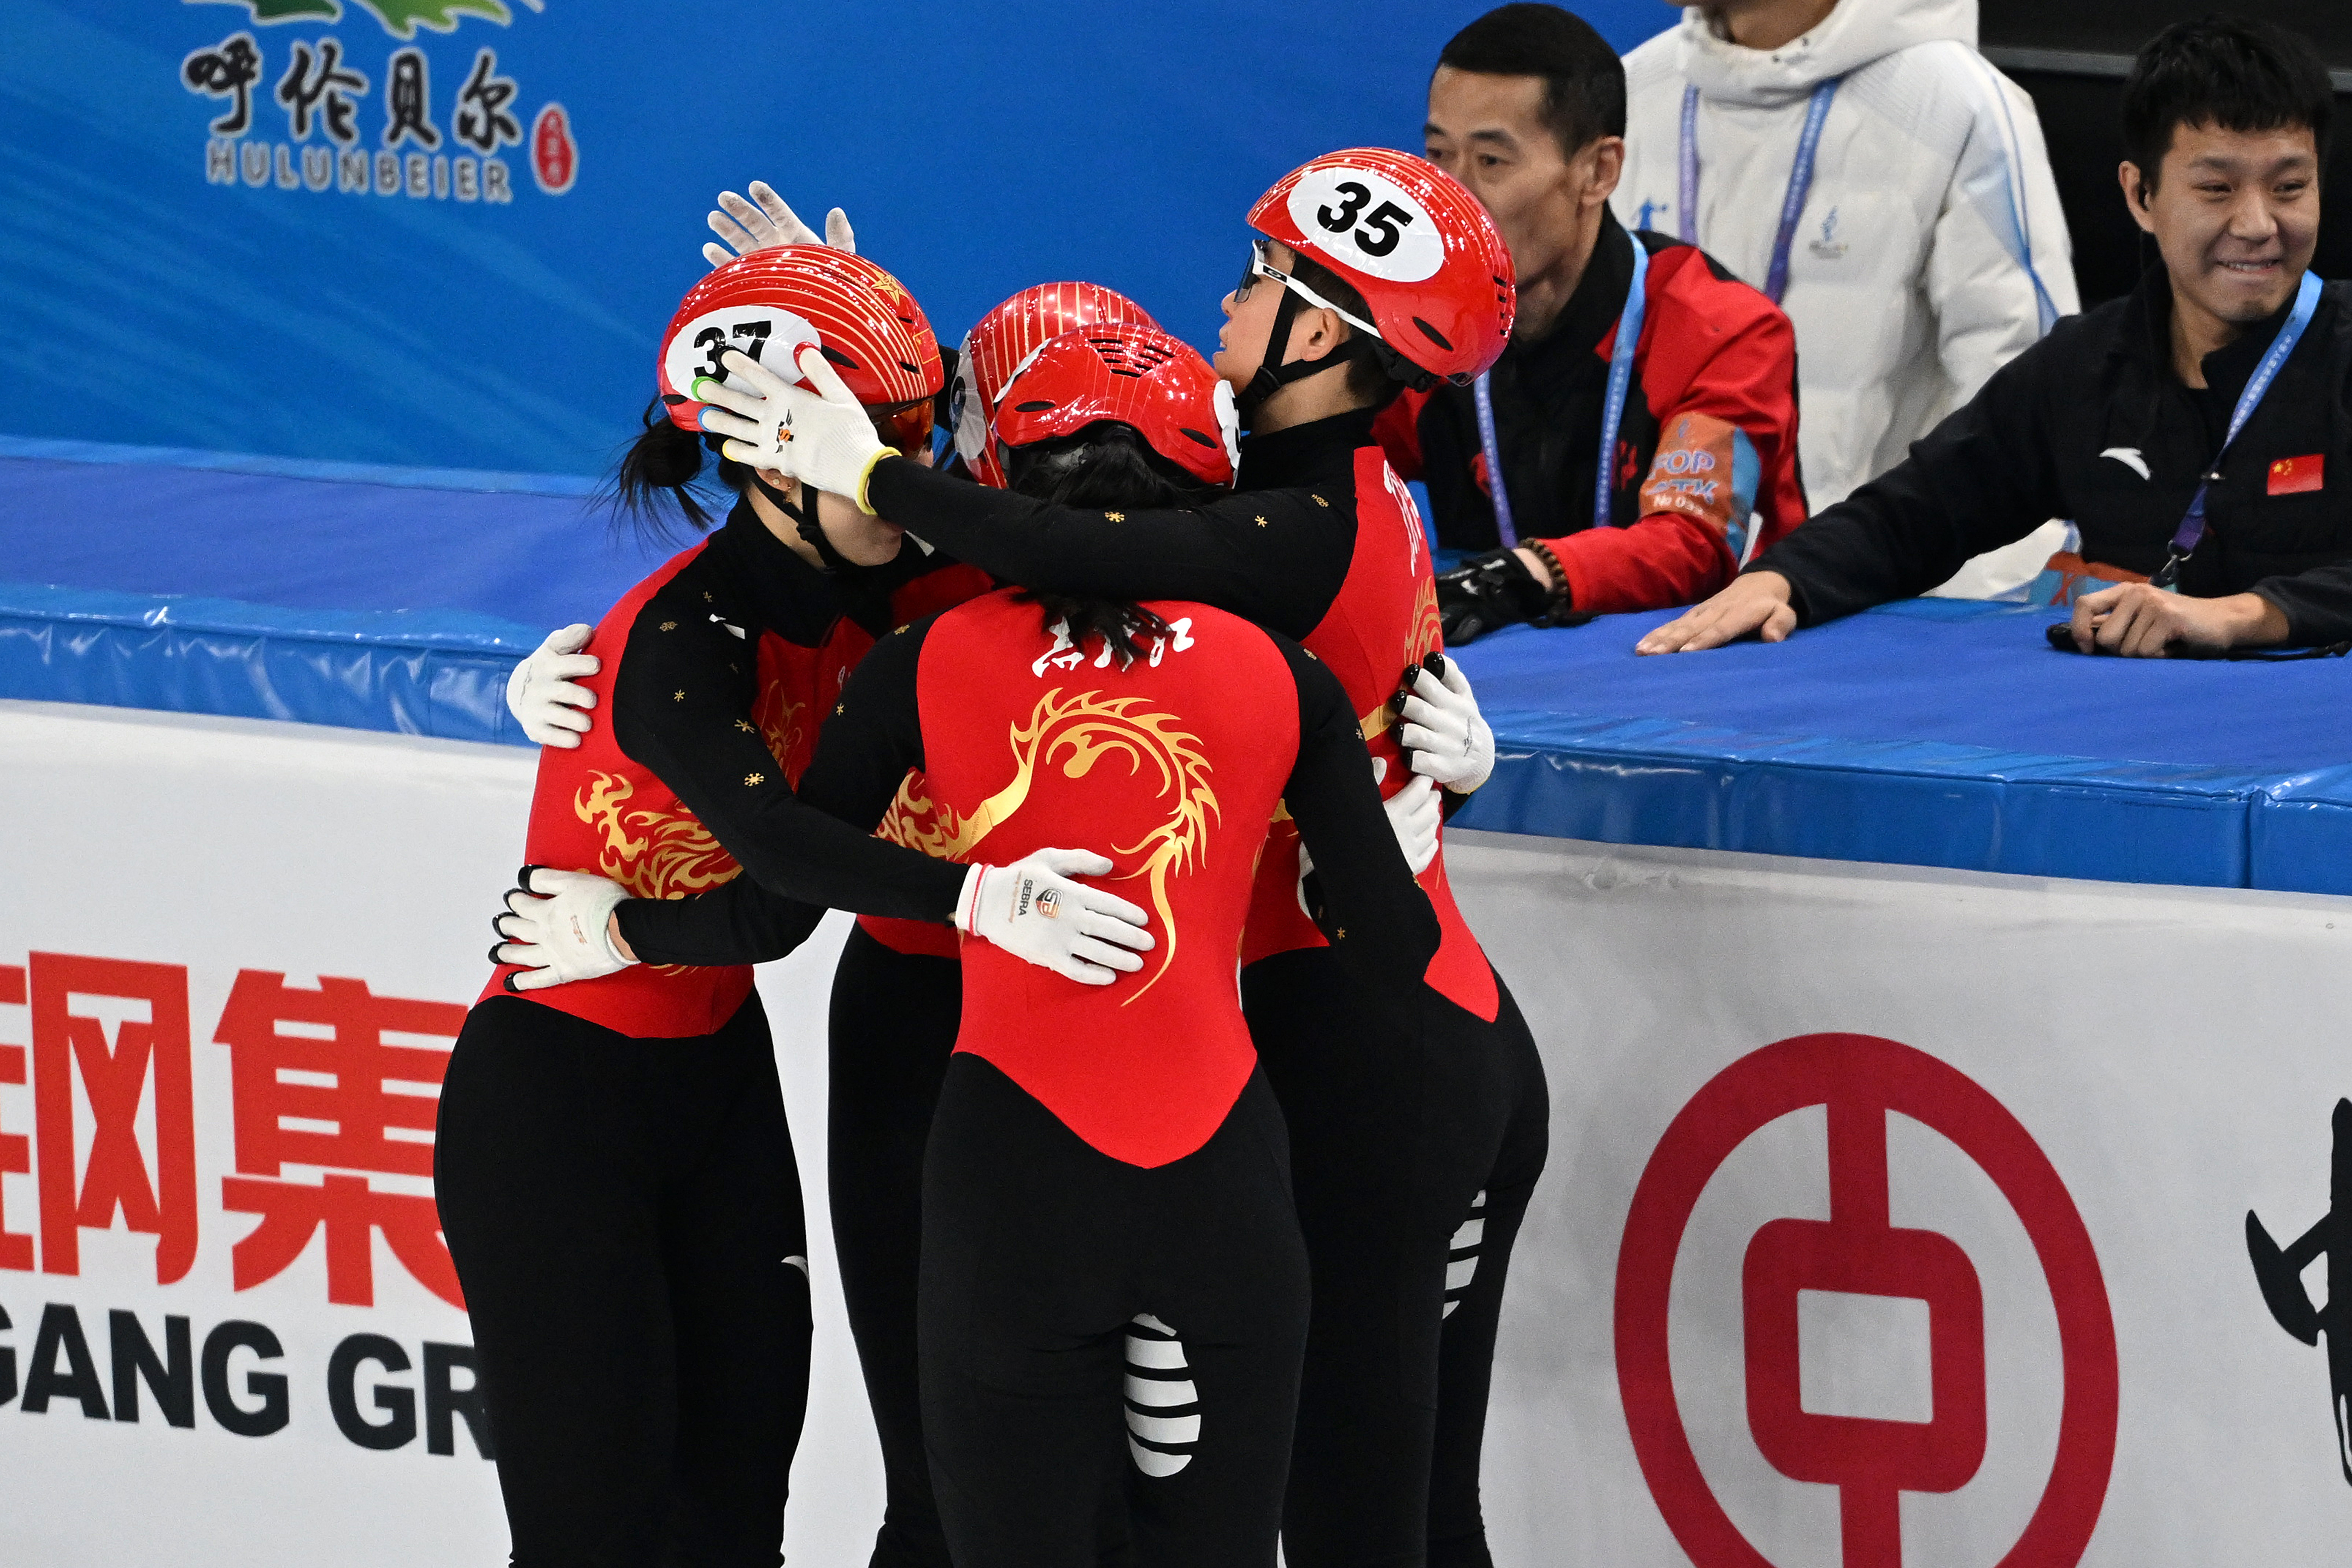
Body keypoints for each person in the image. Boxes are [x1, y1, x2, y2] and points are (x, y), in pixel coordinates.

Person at [719, 149, 1551, 1568]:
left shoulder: (1289, 530)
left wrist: (863, 449)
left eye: (1258, 279)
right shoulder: (1319, 482)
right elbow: (1073, 456)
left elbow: (1053, 522)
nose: (1222, 300)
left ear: (1321, 334)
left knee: (1362, 1518)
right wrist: (869, 344)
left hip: (1355, 1056)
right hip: (1383, 1026)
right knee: (1388, 1509)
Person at [435, 248, 1152, 1568]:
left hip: (714, 1080)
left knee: (736, 1513)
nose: (913, 474)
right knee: (599, 1529)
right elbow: (778, 883)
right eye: (877, 448)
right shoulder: (673, 642)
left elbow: (1042, 538)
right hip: (557, 1098)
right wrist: (985, 896)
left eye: (920, 439)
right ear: (775, 463)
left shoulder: (858, 584)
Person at [1639, 16, 2352, 661]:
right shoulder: (2085, 368)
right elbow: (1921, 511)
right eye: (2218, 191)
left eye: (2290, 188)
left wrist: (2247, 616)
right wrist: (1781, 580)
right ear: (2140, 196)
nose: (2259, 225)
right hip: (2140, 754)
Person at [1398, 3, 1808, 643]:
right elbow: (1314, 456)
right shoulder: (1418, 325)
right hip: (1495, 693)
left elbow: (1694, 544)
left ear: (1598, 171)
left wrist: (1524, 576)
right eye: (1437, 154)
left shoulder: (1723, 329)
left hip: (1709, 683)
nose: (1450, 199)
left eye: (1491, 163)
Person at [1613, 0, 2077, 522]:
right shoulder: (1633, 90)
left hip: (1870, 588)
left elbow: (2022, 400)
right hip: (1656, 577)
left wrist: (1966, 603)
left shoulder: (1956, 104)